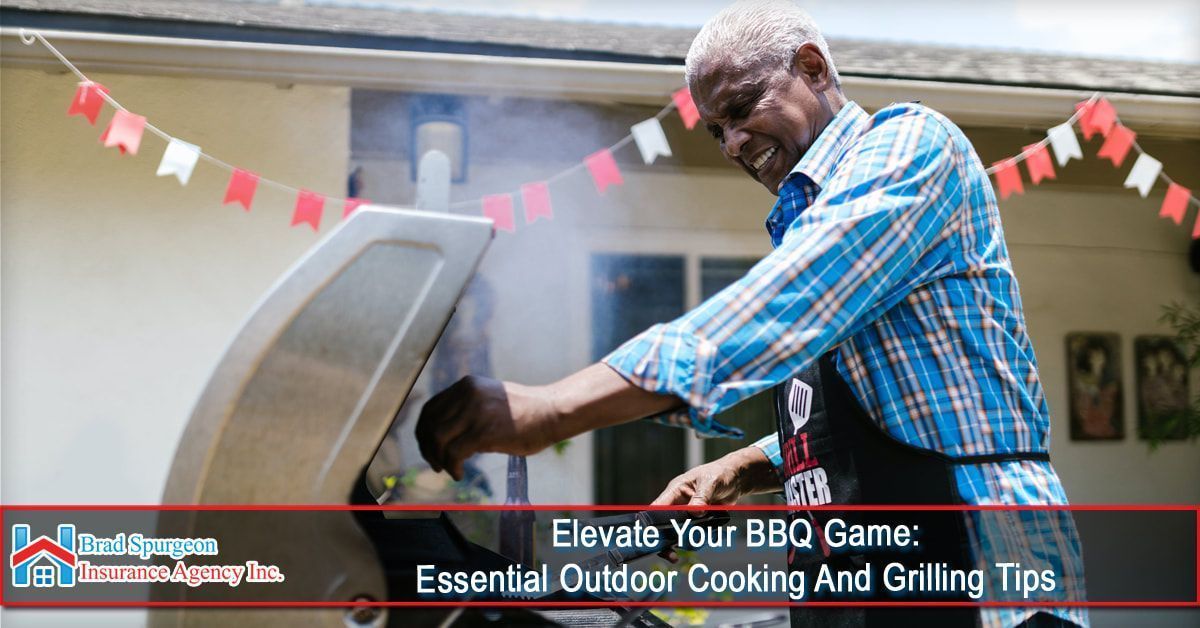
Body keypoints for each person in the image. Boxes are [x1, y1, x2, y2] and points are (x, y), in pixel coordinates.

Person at [417, 2, 1086, 626]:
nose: (733, 142)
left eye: (742, 108)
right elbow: (886, 409)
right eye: (717, 130)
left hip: (981, 564)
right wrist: (743, 468)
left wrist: (557, 406)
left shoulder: (912, 147)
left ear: (814, 69)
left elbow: (790, 302)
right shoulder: (812, 222)